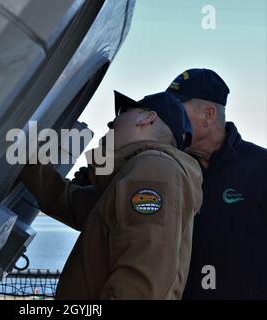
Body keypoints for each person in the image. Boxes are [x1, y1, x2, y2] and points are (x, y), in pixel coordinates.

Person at [20, 91, 203, 299]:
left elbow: (141, 281)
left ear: (147, 118)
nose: (112, 122)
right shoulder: (137, 173)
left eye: (122, 111)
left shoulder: (154, 169)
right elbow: (70, 202)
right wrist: (28, 161)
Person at [166, 68, 267, 299]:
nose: (168, 116)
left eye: (176, 108)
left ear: (209, 115)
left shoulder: (261, 169)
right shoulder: (170, 169)